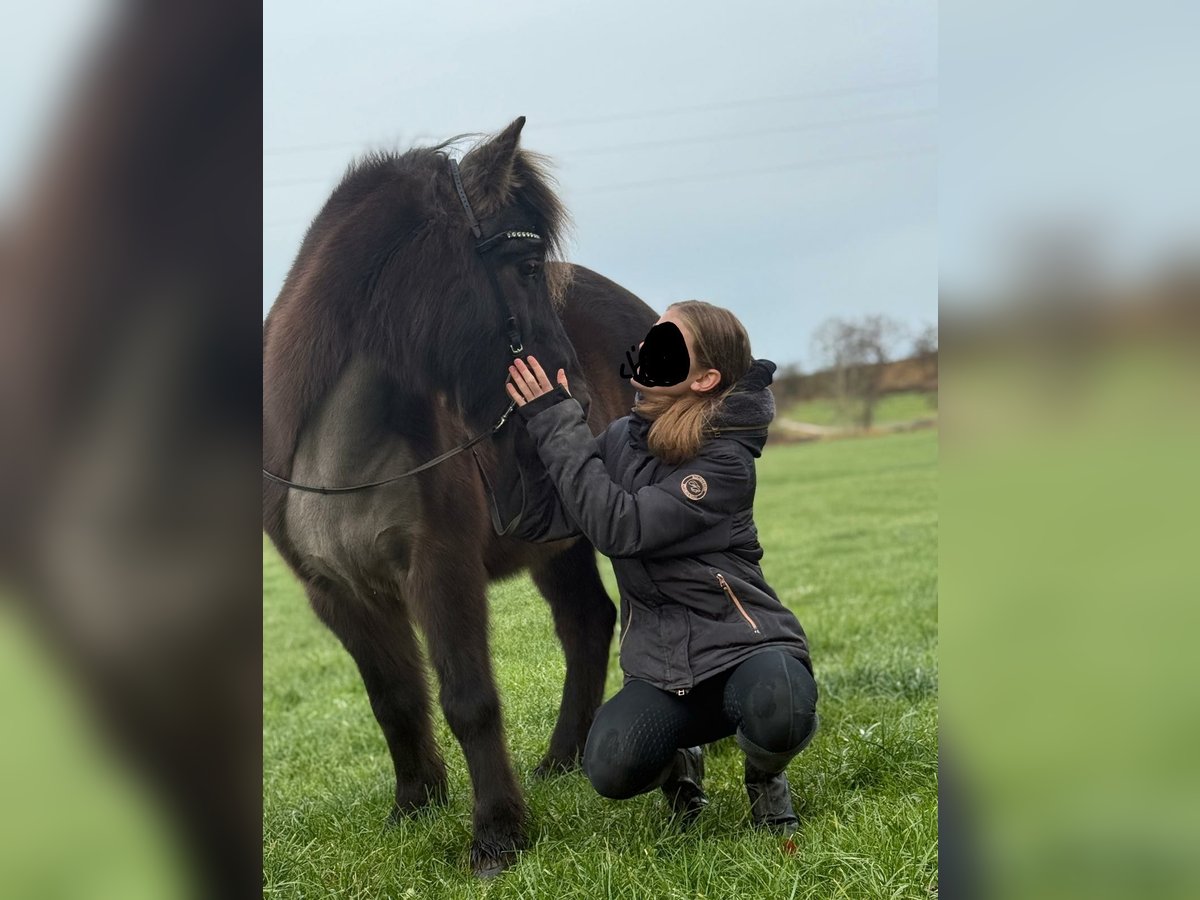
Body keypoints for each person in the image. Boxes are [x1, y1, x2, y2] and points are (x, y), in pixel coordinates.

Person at [504, 300, 817, 833]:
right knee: (610, 766)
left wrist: (559, 423)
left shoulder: (725, 459)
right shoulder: (620, 441)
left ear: (705, 378)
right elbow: (540, 519)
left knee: (780, 705)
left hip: (747, 647)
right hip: (663, 667)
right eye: (653, 339)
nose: (649, 350)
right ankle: (682, 761)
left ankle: (766, 777)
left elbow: (621, 527)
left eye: (669, 345)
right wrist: (520, 431)